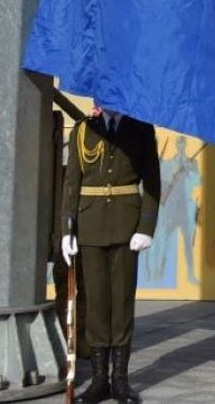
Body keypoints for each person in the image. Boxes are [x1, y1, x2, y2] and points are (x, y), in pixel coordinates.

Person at [61, 107, 161, 403]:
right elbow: (72, 184)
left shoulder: (141, 129)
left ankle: (120, 381)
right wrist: (68, 229)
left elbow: (152, 182)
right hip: (90, 226)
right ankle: (99, 380)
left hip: (126, 228)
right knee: (96, 305)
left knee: (121, 304)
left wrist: (146, 227)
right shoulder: (82, 129)